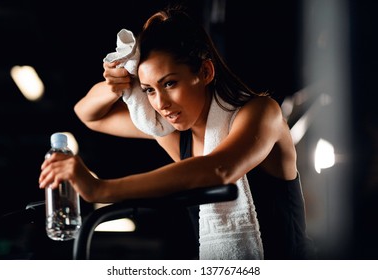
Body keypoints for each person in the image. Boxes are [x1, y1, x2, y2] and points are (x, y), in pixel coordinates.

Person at [39, 6, 314, 260]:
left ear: (205, 71)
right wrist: (115, 85)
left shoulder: (263, 112)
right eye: (148, 90)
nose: (160, 104)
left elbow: (219, 170)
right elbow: (88, 115)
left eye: (169, 83)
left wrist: (100, 188)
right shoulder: (172, 133)